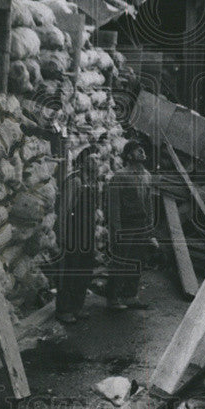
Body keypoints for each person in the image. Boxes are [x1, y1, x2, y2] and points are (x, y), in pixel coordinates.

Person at [105, 139, 159, 311]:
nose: (142, 152)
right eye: (137, 150)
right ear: (129, 156)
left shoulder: (147, 176)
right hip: (126, 225)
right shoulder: (120, 176)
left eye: (142, 149)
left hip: (141, 226)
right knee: (121, 261)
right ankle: (113, 298)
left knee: (137, 261)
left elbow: (149, 203)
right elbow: (114, 207)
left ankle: (130, 295)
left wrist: (150, 228)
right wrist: (116, 230)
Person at [56, 146, 100, 324]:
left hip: (87, 234)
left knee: (84, 271)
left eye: (97, 159)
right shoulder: (74, 181)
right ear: (82, 163)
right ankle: (64, 310)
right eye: (92, 159)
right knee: (70, 272)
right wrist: (63, 236)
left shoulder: (93, 183)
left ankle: (77, 307)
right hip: (74, 234)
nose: (96, 163)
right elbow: (64, 210)